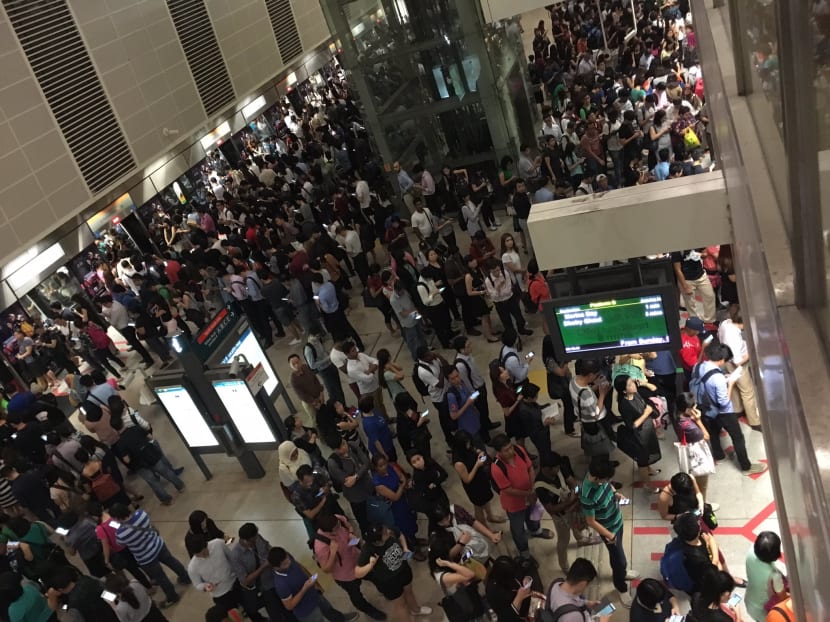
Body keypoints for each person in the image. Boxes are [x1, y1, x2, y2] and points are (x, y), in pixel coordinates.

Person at [694, 343, 766, 476]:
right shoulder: (718, 378)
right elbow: (724, 402)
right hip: (723, 413)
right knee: (738, 437)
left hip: (706, 409)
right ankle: (746, 467)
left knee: (714, 434)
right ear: (721, 360)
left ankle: (719, 456)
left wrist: (725, 378)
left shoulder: (698, 366)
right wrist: (731, 383)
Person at [580, 457, 639, 607]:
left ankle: (623, 572)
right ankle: (621, 587)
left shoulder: (599, 476)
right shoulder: (587, 495)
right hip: (609, 530)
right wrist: (608, 535)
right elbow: (590, 521)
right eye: (606, 480)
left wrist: (615, 493)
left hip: (617, 520)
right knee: (618, 559)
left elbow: (608, 486)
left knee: (618, 556)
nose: (608, 482)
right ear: (598, 478)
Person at [109, 503, 191, 607]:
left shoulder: (120, 533)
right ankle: (186, 577)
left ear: (117, 518)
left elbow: (120, 543)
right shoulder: (141, 514)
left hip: (146, 557)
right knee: (172, 561)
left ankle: (172, 597)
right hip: (158, 545)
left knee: (160, 577)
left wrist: (120, 528)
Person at [490, 433, 553, 559]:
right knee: (518, 528)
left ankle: (535, 530)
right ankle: (524, 551)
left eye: (510, 447)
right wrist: (528, 493)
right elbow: (507, 489)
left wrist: (532, 487)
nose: (510, 451)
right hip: (514, 503)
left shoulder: (519, 450)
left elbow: (529, 468)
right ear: (499, 452)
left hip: (530, 493)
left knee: (535, 515)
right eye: (506, 450)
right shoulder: (496, 467)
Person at [313, 514, 387, 621]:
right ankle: (370, 611)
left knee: (375, 577)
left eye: (338, 525)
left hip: (358, 559)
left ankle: (385, 591)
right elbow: (326, 569)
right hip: (345, 575)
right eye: (335, 529)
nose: (339, 528)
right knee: (356, 596)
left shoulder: (337, 519)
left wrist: (351, 533)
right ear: (328, 531)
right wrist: (333, 552)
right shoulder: (320, 546)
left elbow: (348, 525)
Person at [535, 454, 600, 574]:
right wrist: (570, 501)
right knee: (563, 540)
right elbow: (552, 510)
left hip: (572, 506)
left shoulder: (560, 469)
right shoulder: (540, 486)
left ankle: (581, 539)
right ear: (546, 468)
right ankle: (565, 567)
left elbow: (574, 484)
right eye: (555, 468)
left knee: (576, 525)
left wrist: (575, 495)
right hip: (560, 516)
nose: (558, 469)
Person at [355, 524, 431, 620]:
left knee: (409, 591)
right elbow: (357, 573)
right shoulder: (368, 550)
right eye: (384, 533)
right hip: (389, 581)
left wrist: (404, 548)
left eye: (385, 530)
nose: (388, 531)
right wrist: (370, 565)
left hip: (403, 569)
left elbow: (399, 534)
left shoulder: (389, 531)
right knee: (401, 604)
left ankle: (415, 609)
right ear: (377, 541)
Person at [269, 547, 359, 622]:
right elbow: (289, 606)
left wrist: (314, 583)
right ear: (276, 567)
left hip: (314, 594)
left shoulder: (287, 558)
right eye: (285, 563)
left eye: (288, 558)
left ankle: (341, 619)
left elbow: (300, 567)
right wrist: (304, 589)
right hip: (307, 611)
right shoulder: (281, 584)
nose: (289, 562)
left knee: (328, 609)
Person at [614, 374, 662, 488]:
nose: (634, 385)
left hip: (647, 429)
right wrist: (646, 414)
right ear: (624, 391)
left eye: (632, 382)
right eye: (630, 384)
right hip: (639, 435)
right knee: (643, 460)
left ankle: (649, 469)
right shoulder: (624, 405)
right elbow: (632, 426)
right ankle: (648, 484)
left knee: (650, 453)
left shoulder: (636, 394)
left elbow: (654, 389)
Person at [451, 430, 505, 526]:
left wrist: (482, 455)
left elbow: (482, 459)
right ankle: (484, 526)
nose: (469, 444)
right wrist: (477, 465)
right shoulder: (458, 462)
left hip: (481, 477)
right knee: (479, 506)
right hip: (473, 485)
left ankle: (490, 516)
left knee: (486, 500)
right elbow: (467, 479)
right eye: (466, 443)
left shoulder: (469, 448)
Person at [717, 313, 761, 431]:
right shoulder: (734, 336)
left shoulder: (725, 323)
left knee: (735, 386)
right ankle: (754, 421)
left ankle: (737, 410)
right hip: (738, 365)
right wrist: (750, 353)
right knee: (747, 392)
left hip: (727, 361)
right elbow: (738, 361)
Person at [370, 455, 420, 554]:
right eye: (381, 466)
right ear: (376, 467)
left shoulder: (391, 467)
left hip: (403, 501)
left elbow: (402, 477)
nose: (384, 467)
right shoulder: (378, 483)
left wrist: (401, 486)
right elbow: (395, 497)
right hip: (394, 508)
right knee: (403, 526)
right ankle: (412, 549)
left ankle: (415, 540)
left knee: (411, 519)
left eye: (385, 464)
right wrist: (401, 486)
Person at [453, 336, 499, 439]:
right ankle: (485, 436)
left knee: (485, 409)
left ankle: (488, 424)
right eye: (468, 346)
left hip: (480, 385)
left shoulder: (469, 356)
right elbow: (466, 383)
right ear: (461, 349)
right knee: (481, 413)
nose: (471, 347)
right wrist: (474, 395)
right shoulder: (460, 365)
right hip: (476, 390)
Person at [45, 566, 120, 622]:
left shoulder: (73, 606)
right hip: (115, 615)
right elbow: (108, 594)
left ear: (60, 590)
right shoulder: (88, 580)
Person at [546, 558, 611, 622]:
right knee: (607, 611)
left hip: (573, 612)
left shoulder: (556, 583)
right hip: (579, 617)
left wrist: (587, 603)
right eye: (587, 584)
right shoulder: (573, 616)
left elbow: (571, 599)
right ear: (583, 583)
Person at [745, 532, 787, 622]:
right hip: (762, 610)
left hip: (749, 599)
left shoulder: (751, 552)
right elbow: (783, 597)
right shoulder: (774, 576)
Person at [103, 571, 169, 622]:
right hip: (153, 611)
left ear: (115, 592)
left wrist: (114, 606)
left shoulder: (120, 608)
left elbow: (125, 621)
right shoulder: (135, 582)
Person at [57, 510, 107, 577]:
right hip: (101, 547)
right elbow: (98, 529)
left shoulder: (71, 538)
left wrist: (63, 542)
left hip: (89, 557)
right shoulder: (87, 522)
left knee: (99, 573)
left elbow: (72, 553)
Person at [672, 248, 716, 323]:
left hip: (701, 274)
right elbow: (677, 269)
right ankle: (695, 323)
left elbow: (705, 254)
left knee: (710, 296)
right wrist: (685, 286)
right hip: (686, 279)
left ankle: (709, 320)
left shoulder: (695, 242)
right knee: (690, 304)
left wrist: (699, 255)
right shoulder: (677, 250)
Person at [304, 327, 346, 406]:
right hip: (324, 371)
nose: (318, 338)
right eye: (316, 336)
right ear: (310, 336)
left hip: (330, 365)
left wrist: (329, 356)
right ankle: (337, 410)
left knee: (339, 388)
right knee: (332, 391)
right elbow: (312, 365)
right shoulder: (308, 349)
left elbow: (323, 351)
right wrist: (327, 359)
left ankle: (344, 406)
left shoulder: (318, 341)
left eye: (319, 336)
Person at [445, 367, 484, 446]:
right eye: (453, 379)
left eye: (457, 376)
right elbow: (454, 416)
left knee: (479, 440)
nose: (457, 380)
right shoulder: (452, 395)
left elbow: (468, 395)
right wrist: (468, 403)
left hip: (473, 418)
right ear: (448, 380)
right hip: (466, 426)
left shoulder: (462, 383)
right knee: (478, 446)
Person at [484, 556, 530, 621]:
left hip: (525, 602)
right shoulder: (493, 591)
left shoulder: (512, 569)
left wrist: (527, 578)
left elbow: (521, 572)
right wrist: (519, 597)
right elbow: (507, 617)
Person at [406, 449, 448, 515]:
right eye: (414, 462)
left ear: (422, 456)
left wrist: (435, 483)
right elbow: (424, 491)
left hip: (440, 492)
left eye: (418, 459)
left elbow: (444, 474)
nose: (418, 463)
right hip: (431, 500)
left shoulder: (431, 463)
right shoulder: (417, 476)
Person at [289, 354, 325, 428]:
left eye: (297, 362)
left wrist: (321, 393)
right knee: (315, 420)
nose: (296, 365)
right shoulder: (293, 379)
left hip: (319, 395)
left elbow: (315, 380)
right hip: (309, 403)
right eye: (293, 364)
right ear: (290, 366)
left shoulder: (306, 367)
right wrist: (314, 402)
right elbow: (301, 395)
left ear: (301, 361)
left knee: (324, 414)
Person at [394, 393, 432, 461]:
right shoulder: (402, 423)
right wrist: (420, 422)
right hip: (415, 447)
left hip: (422, 440)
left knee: (427, 454)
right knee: (424, 459)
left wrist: (419, 416)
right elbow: (409, 437)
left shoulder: (407, 411)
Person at [360, 395, 396, 462]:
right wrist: (383, 454)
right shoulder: (369, 424)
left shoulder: (373, 412)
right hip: (385, 447)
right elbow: (376, 441)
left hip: (388, 440)